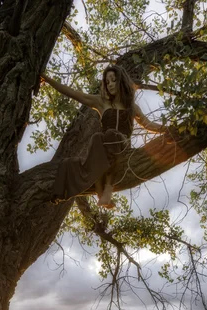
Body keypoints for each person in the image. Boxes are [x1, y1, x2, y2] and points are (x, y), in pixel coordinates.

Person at [41, 65, 170, 209]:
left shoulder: (132, 107)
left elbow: (149, 124)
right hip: (103, 148)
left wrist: (168, 129)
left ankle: (107, 188)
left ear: (121, 81)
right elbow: (73, 93)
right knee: (97, 137)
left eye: (113, 80)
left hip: (122, 146)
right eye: (107, 82)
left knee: (110, 135)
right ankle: (100, 190)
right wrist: (48, 80)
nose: (110, 85)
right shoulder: (101, 103)